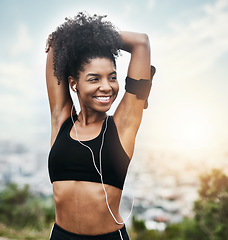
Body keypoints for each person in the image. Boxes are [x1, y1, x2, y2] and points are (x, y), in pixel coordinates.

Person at [45, 12, 155, 240]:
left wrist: (85, 35)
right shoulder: (61, 121)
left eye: (112, 77)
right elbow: (57, 44)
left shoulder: (122, 126)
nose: (106, 87)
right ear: (74, 84)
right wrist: (66, 37)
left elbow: (140, 43)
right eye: (94, 79)